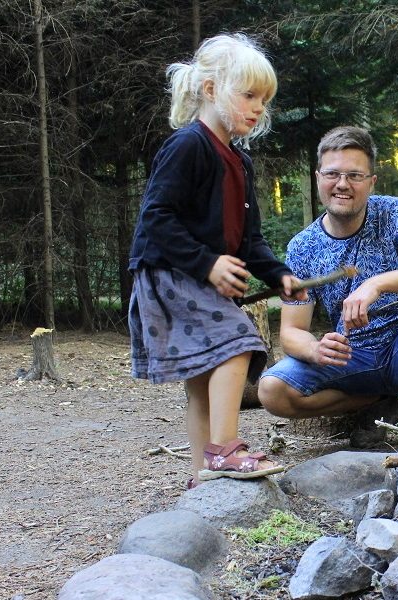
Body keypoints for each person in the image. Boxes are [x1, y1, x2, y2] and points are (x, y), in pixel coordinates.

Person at [128, 34, 307, 488]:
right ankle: (226, 450)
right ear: (210, 90)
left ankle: (201, 475)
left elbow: (251, 241)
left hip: (195, 277)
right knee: (239, 343)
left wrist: (279, 274)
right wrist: (207, 263)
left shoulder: (240, 162)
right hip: (170, 276)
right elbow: (156, 219)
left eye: (264, 101)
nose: (257, 108)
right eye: (248, 95)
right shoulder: (189, 146)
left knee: (204, 376)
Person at [258, 126, 398, 448]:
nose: (342, 184)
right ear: (317, 178)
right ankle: (377, 401)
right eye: (333, 174)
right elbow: (291, 331)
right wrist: (314, 348)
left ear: (371, 182)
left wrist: (376, 283)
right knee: (272, 391)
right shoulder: (303, 246)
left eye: (355, 176)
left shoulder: (396, 213)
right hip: (351, 360)